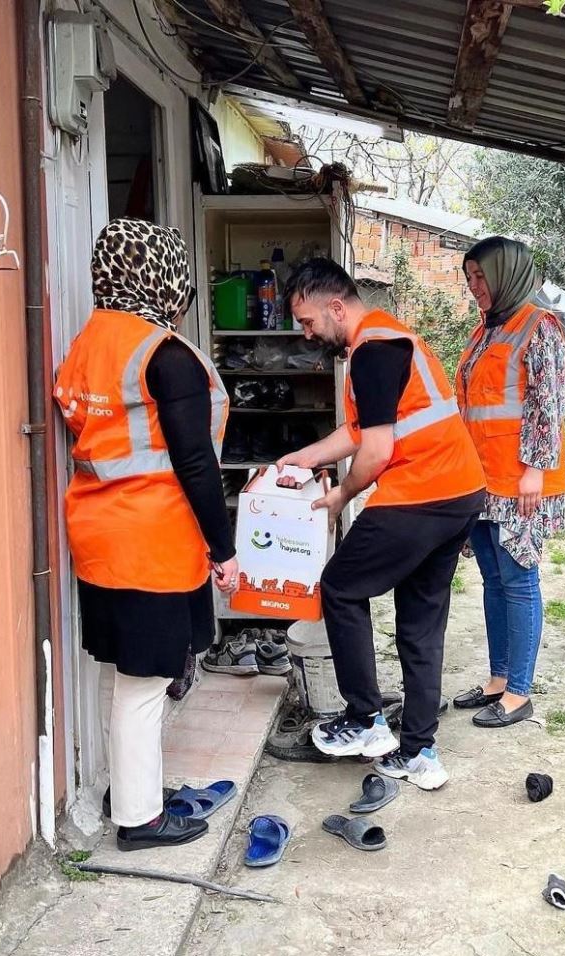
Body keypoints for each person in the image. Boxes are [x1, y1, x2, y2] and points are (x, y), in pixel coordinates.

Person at [54, 219, 238, 850]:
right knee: (145, 683)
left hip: (98, 535)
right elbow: (194, 463)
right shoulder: (165, 354)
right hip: (152, 541)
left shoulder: (88, 342)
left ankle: (126, 788)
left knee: (125, 674)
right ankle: (139, 818)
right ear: (164, 273)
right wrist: (225, 547)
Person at [276, 258, 485, 790]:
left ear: (337, 307)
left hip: (420, 492)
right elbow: (360, 428)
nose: (307, 334)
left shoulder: (372, 352)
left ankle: (366, 719)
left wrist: (343, 493)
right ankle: (419, 753)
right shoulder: (391, 338)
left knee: (341, 586)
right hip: (460, 491)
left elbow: (375, 450)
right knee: (420, 622)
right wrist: (305, 455)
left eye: (308, 322)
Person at [452, 236, 565, 728]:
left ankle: (520, 691)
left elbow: (547, 405)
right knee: (493, 580)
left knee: (519, 582)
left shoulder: (540, 329)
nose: (474, 287)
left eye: (481, 277)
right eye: (470, 278)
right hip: (482, 480)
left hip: (522, 481)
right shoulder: (485, 332)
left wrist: (535, 472)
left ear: (506, 275)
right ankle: (499, 679)